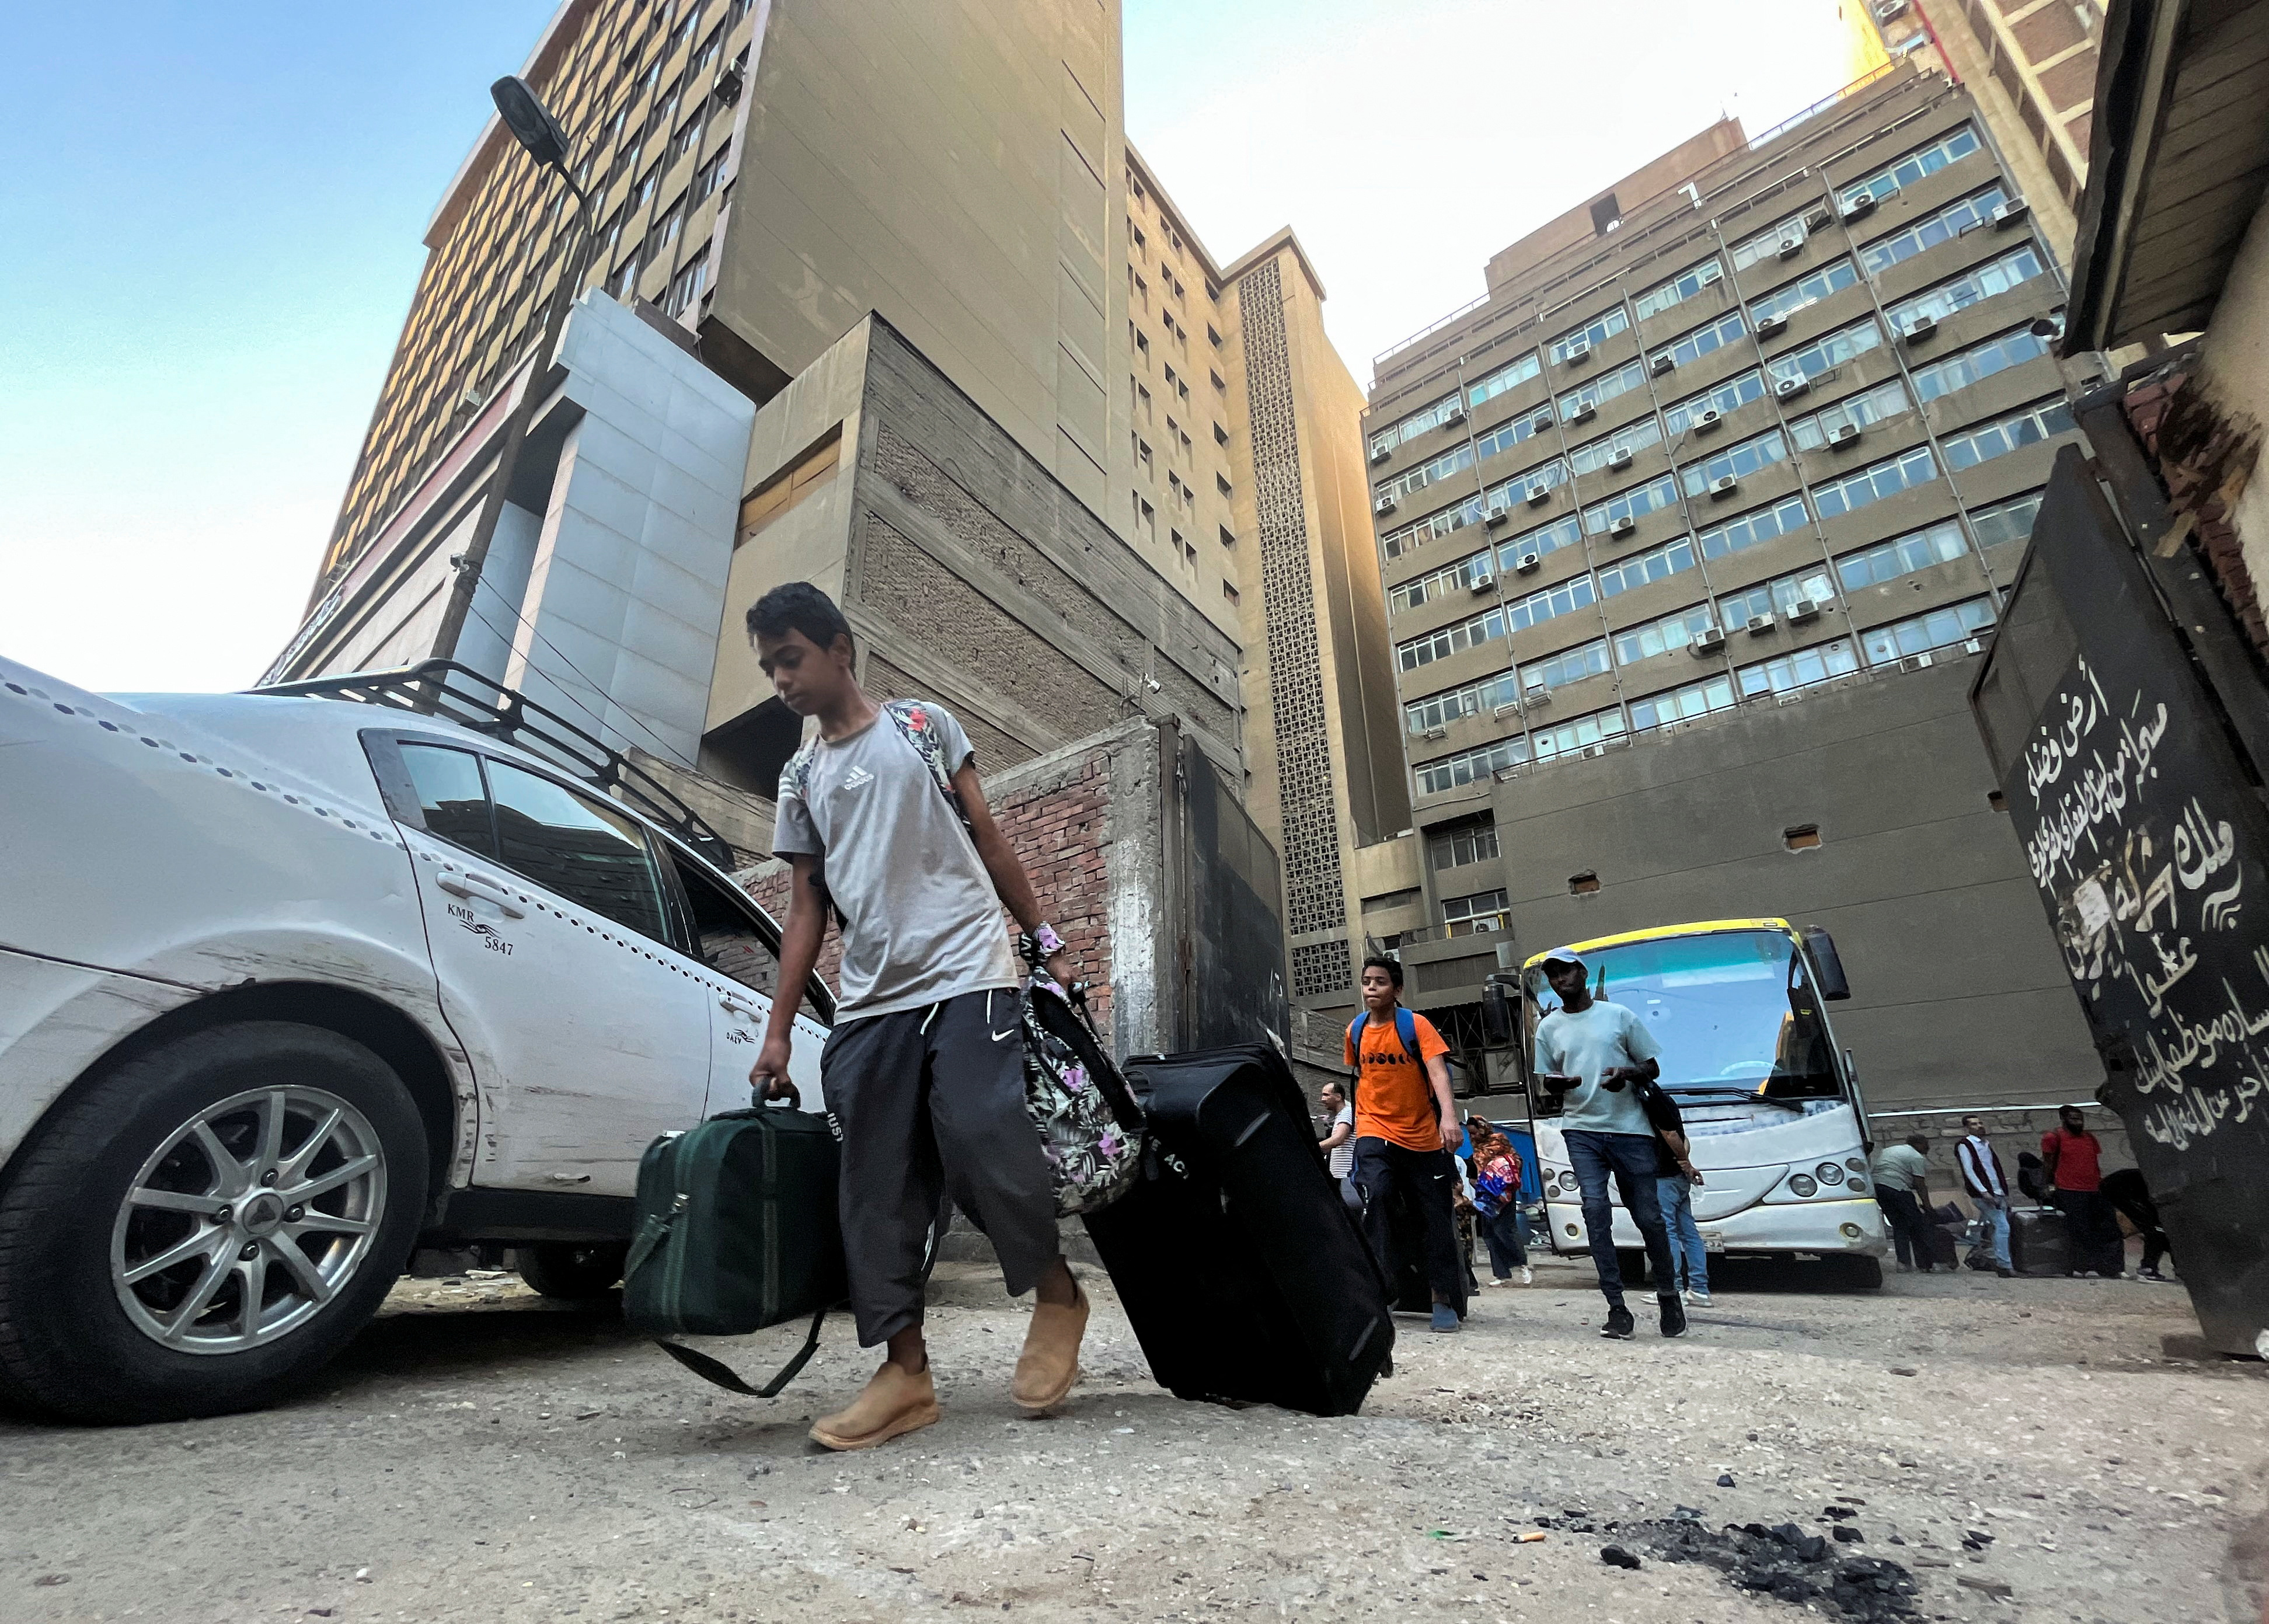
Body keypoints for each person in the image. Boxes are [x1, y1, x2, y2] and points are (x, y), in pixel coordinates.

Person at [745, 582, 1086, 1452]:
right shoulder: (800, 777)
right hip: (870, 996)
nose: (780, 679)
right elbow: (803, 910)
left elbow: (989, 834)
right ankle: (905, 1372)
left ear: (838, 648)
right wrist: (780, 1029)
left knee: (979, 1129)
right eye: (769, 666)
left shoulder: (922, 728)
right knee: (872, 1180)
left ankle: (1054, 1290)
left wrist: (1043, 936)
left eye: (790, 658)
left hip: (967, 966)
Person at [1532, 947, 1685, 1339]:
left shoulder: (1618, 1017)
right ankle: (1616, 1308)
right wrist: (1557, 1083)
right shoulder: (1547, 1028)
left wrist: (1627, 1073)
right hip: (1580, 1129)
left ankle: (1668, 1293)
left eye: (1565, 972)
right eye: (1552, 976)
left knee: (1649, 1216)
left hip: (1631, 1130)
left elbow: (1652, 1066)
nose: (1559, 980)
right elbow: (1546, 1079)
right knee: (1595, 1211)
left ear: (1581, 973)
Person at [1343, 955, 1465, 1333]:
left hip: (1421, 1138)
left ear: (1396, 990)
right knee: (1375, 1194)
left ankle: (1441, 1297)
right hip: (1373, 1129)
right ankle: (1382, 1286)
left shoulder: (1416, 1026)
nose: (1370, 989)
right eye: (1366, 982)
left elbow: (1437, 1073)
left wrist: (1448, 1117)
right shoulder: (1356, 1030)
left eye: (1379, 982)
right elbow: (1362, 1078)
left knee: (1434, 1218)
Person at [2044, 1107, 2124, 1277]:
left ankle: (2112, 1268)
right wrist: (2049, 1186)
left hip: (2095, 1189)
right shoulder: (2053, 1138)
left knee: (2109, 1228)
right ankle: (2082, 1267)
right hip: (2069, 1190)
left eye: (2080, 1119)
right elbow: (2048, 1164)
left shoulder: (2089, 1137)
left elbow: (2093, 1162)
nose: (2079, 1123)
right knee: (2079, 1231)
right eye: (2074, 1119)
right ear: (2064, 1119)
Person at [1653, 1114, 1710, 1307]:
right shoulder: (1668, 1104)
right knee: (1689, 1233)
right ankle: (1700, 1289)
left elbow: (1671, 1136)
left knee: (1667, 1231)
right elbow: (1684, 1140)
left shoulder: (1650, 1103)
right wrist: (1687, 1165)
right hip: (1680, 1178)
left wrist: (1684, 1161)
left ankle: (1674, 1288)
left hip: (1663, 1178)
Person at [1469, 1121, 1532, 1287]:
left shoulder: (1500, 1142)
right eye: (1471, 1134)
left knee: (1505, 1230)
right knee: (1490, 1234)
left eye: (1475, 1132)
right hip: (1486, 1197)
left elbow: (1516, 1163)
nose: (1473, 1137)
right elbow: (1474, 1175)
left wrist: (1499, 1181)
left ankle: (1523, 1266)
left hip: (1505, 1195)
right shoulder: (1477, 1151)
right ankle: (1501, 1273)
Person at [1955, 1115, 2016, 1277]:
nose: (1979, 1126)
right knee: (2003, 1226)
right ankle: (2005, 1264)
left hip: (1997, 1191)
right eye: (1974, 1124)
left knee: (1999, 1227)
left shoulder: (1985, 1145)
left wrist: (2001, 1190)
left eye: (1980, 1123)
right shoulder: (1965, 1145)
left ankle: (2002, 1261)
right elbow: (1969, 1170)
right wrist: (1983, 1191)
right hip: (1984, 1193)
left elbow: (1993, 1168)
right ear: (1966, 1128)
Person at [1870, 1134, 1936, 1271]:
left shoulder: (1890, 1150)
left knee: (1900, 1225)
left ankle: (1903, 1263)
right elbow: (1920, 1184)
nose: (1928, 1147)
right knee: (1918, 1225)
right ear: (1918, 1144)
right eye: (1926, 1144)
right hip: (1897, 1188)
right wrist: (1928, 1207)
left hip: (1878, 1188)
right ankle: (1925, 1264)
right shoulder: (1916, 1157)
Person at [2101, 1166, 2173, 1282]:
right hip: (2119, 1190)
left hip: (2122, 1188)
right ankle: (2148, 1269)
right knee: (2156, 1230)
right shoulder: (2164, 1188)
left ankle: (2149, 1268)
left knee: (2157, 1229)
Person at [1318, 1081, 1355, 1179]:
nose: (1323, 1099)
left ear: (1338, 1097)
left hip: (1345, 1175)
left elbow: (1338, 1139)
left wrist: (1314, 1147)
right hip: (1341, 1175)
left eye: (1326, 1095)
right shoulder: (1341, 1115)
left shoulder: (1347, 1112)